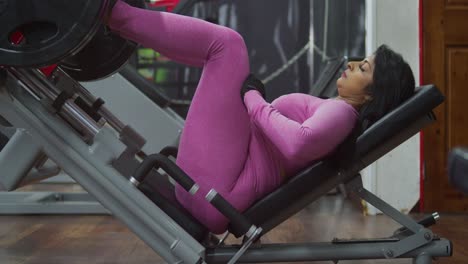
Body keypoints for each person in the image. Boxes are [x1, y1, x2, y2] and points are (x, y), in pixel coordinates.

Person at [105, 0, 415, 234]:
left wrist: (252, 98)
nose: (353, 64)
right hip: (214, 187)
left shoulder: (343, 114)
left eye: (364, 68)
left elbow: (297, 143)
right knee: (219, 52)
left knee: (227, 45)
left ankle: (113, 15)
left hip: (218, 190)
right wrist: (254, 99)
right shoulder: (337, 110)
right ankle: (119, 22)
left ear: (372, 94)